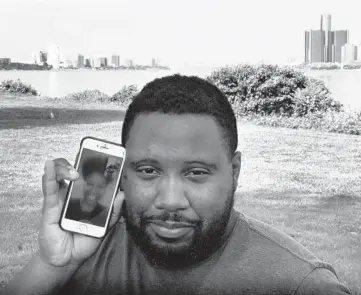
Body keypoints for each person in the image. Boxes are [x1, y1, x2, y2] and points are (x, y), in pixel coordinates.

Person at [2, 75, 351, 295]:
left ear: (235, 171)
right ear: (123, 172)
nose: (170, 201)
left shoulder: (299, 284)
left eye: (196, 172)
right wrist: (53, 266)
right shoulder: (87, 254)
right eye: (149, 171)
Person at [65, 157, 108, 226]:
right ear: (84, 182)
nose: (93, 190)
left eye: (100, 186)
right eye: (90, 184)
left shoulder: (106, 214)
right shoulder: (67, 205)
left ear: (106, 188)